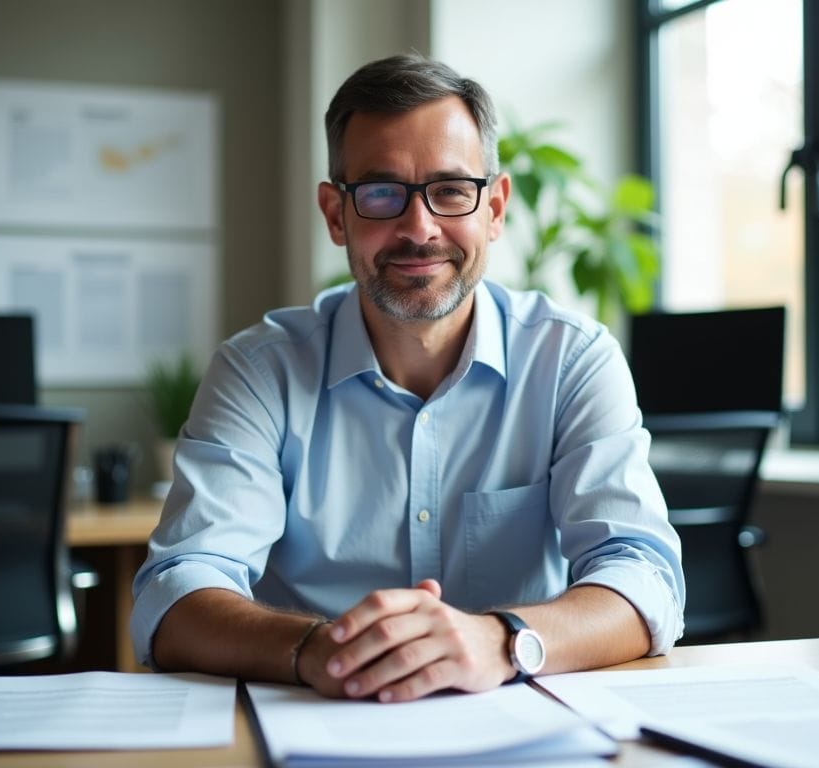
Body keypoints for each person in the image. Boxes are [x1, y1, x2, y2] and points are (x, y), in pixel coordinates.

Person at [131, 53, 685, 703]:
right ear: (336, 214)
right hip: (315, 716)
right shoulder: (259, 371)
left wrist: (501, 642)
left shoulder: (571, 359)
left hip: (521, 721)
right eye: (381, 192)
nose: (419, 229)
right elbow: (176, 591)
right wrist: (320, 650)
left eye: (451, 190)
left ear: (495, 208)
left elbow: (643, 577)